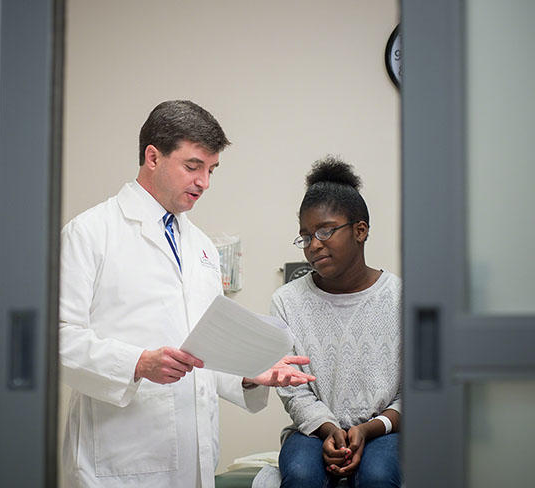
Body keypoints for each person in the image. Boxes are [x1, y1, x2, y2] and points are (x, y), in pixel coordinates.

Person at [59, 100, 315, 488]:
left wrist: (249, 374)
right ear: (153, 157)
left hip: (194, 460)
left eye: (211, 170)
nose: (204, 182)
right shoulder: (90, 233)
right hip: (118, 461)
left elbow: (203, 352)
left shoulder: (201, 246)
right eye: (193, 166)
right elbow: (58, 340)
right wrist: (138, 363)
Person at [271, 156, 402, 488]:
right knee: (301, 475)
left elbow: (415, 391)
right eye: (306, 236)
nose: (314, 245)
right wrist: (330, 429)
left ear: (360, 230)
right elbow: (293, 389)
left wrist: (369, 428)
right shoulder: (287, 302)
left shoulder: (402, 298)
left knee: (377, 475)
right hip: (314, 430)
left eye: (325, 231)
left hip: (387, 429)